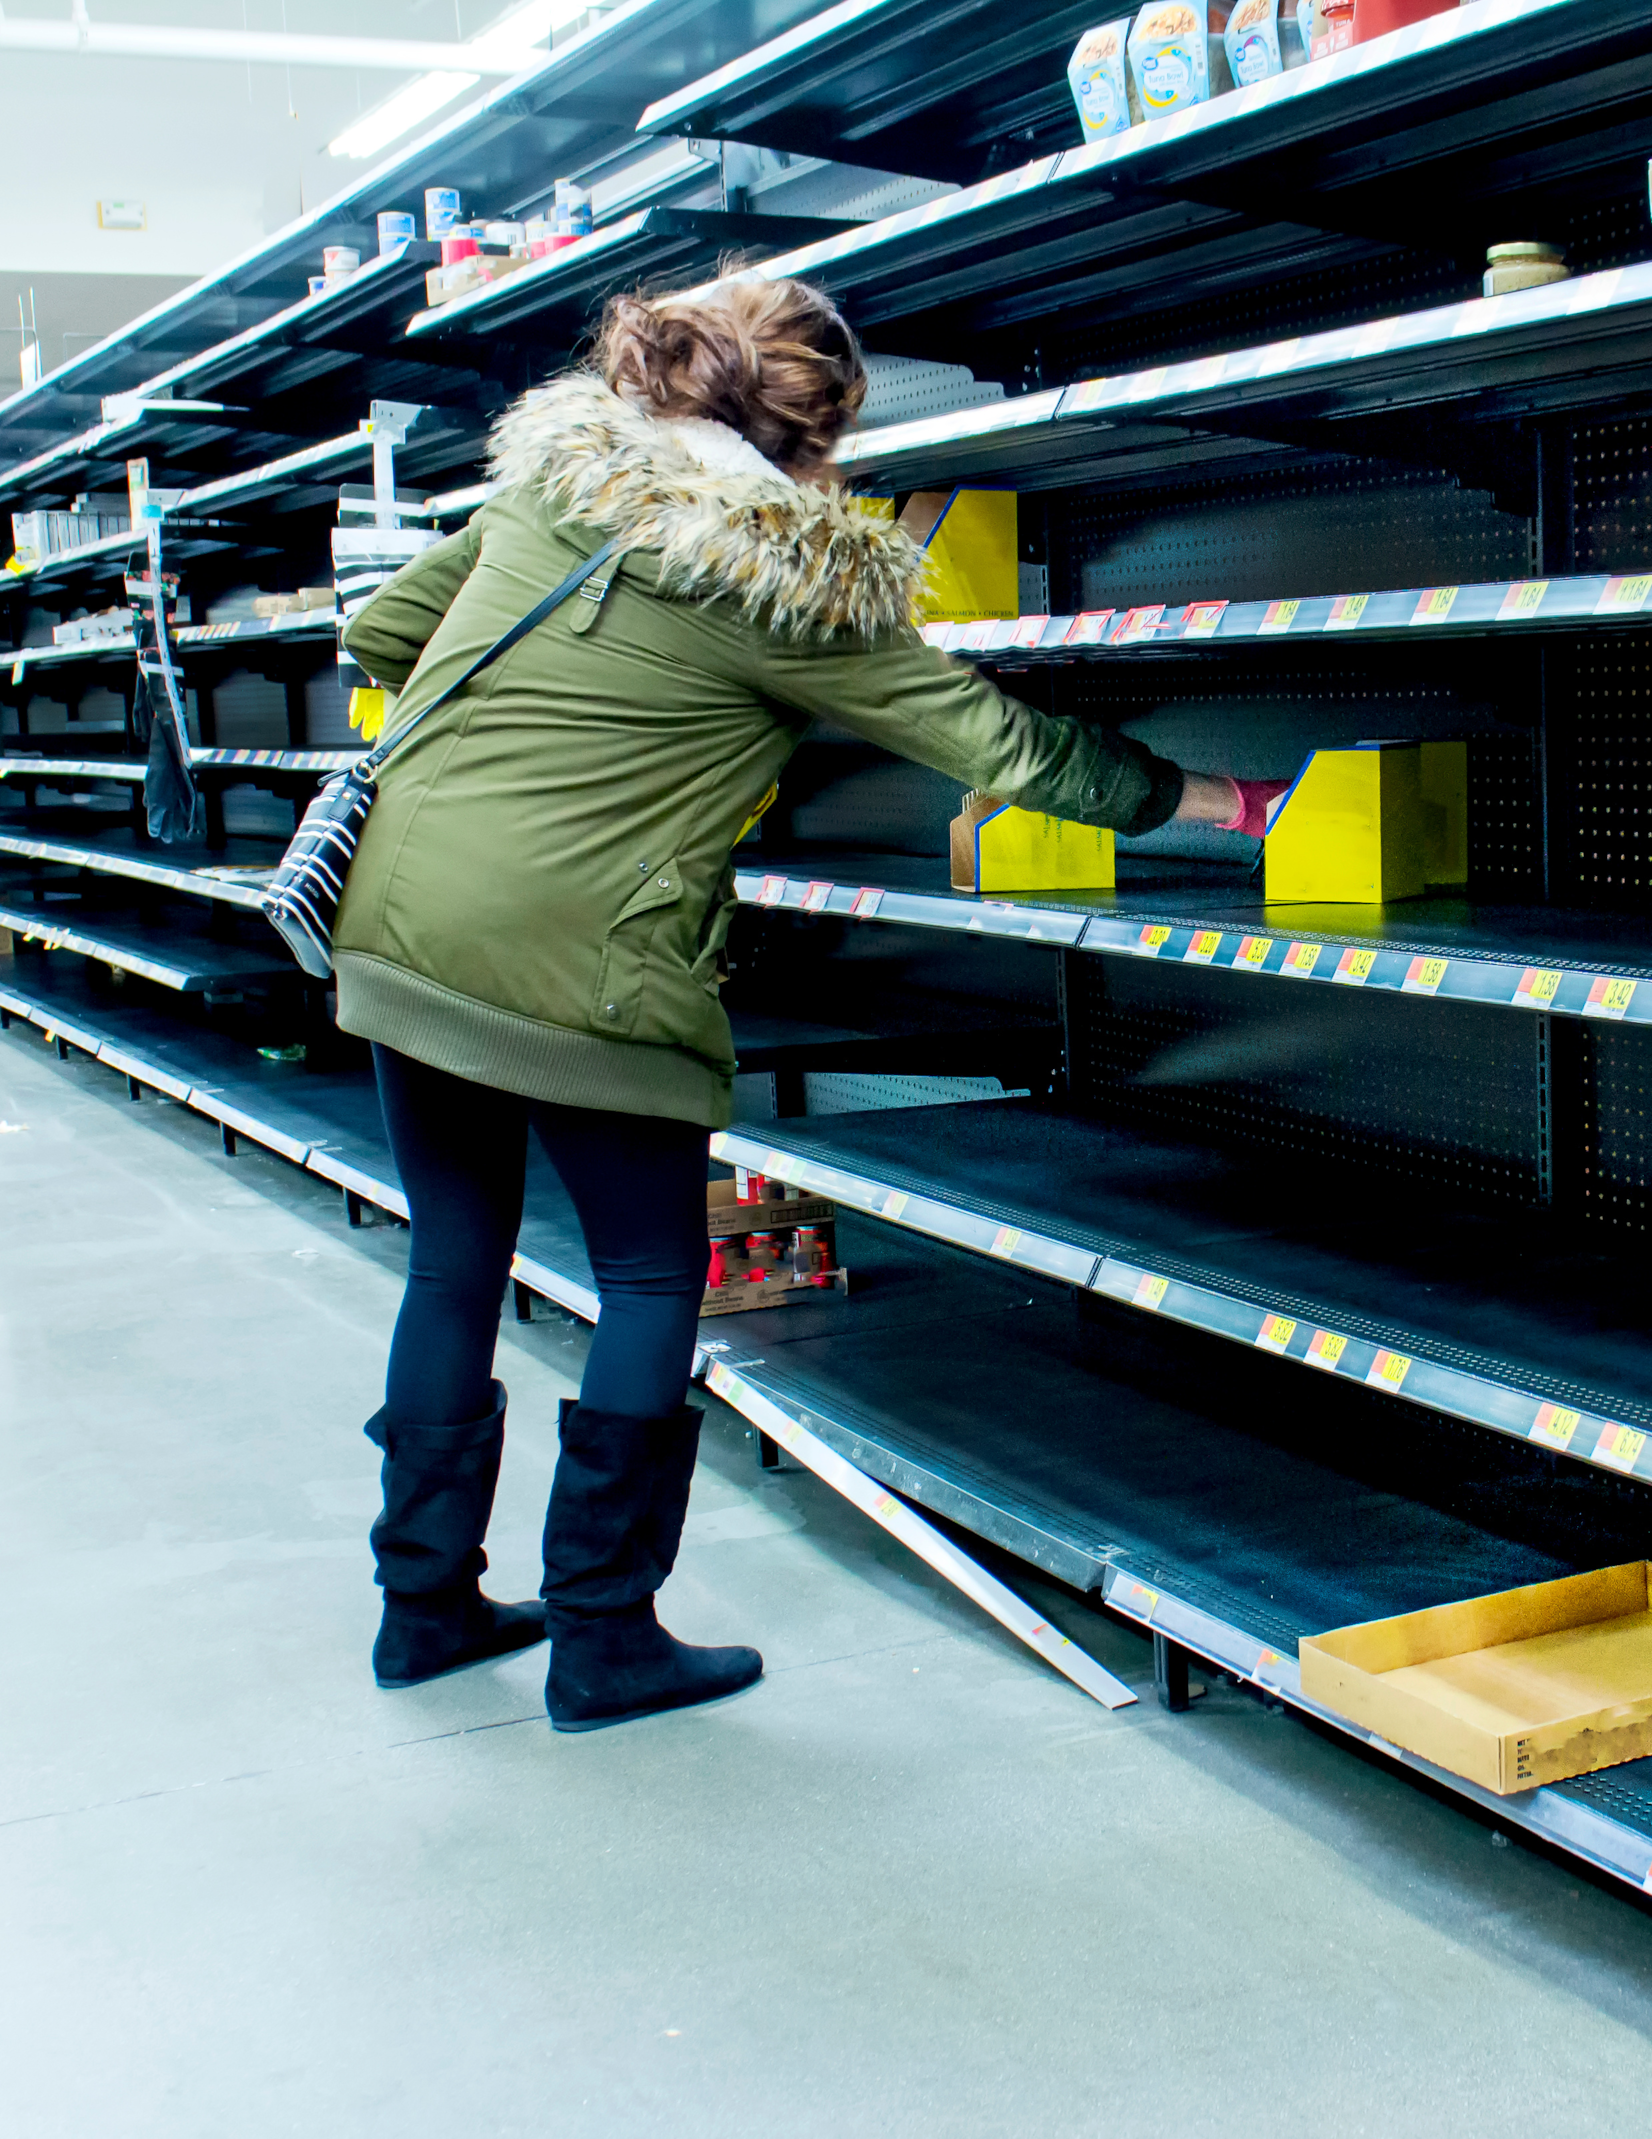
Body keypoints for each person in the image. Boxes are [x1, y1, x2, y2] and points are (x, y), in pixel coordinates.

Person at [331, 274, 1272, 1731]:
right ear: (820, 429)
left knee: (454, 1263)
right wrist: (1214, 798)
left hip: (401, 915)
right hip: (589, 953)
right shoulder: (793, 580)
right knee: (649, 1278)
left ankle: (423, 1611)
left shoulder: (554, 481)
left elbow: (387, 635)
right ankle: (603, 1636)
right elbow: (1001, 746)